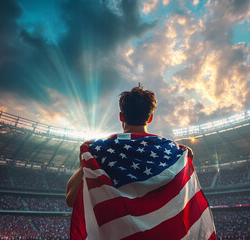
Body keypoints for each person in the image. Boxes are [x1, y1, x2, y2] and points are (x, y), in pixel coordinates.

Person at [66, 84, 216, 240]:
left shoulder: (99, 150)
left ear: (121, 116)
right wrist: (184, 157)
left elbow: (71, 199)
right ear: (150, 117)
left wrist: (83, 159)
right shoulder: (172, 150)